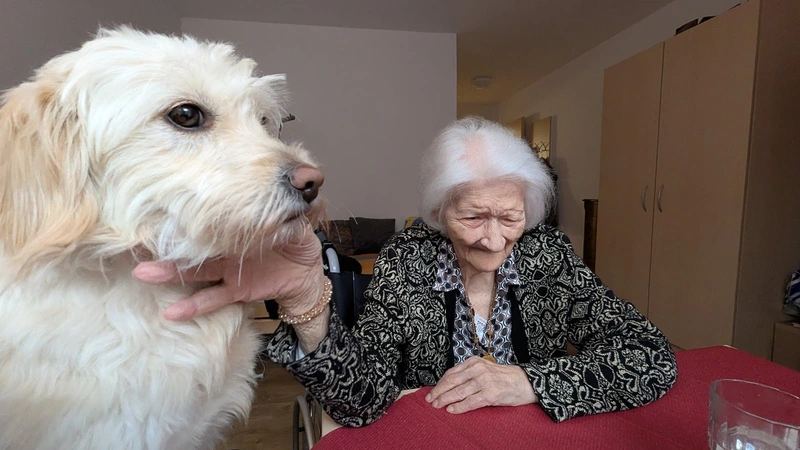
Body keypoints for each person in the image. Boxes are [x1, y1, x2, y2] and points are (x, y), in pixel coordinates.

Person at [134, 117, 677, 425]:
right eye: (473, 217)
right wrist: (305, 298)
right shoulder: (408, 259)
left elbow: (650, 358)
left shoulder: (548, 255)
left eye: (511, 217)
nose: (494, 239)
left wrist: (529, 381)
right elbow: (360, 400)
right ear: (440, 214)